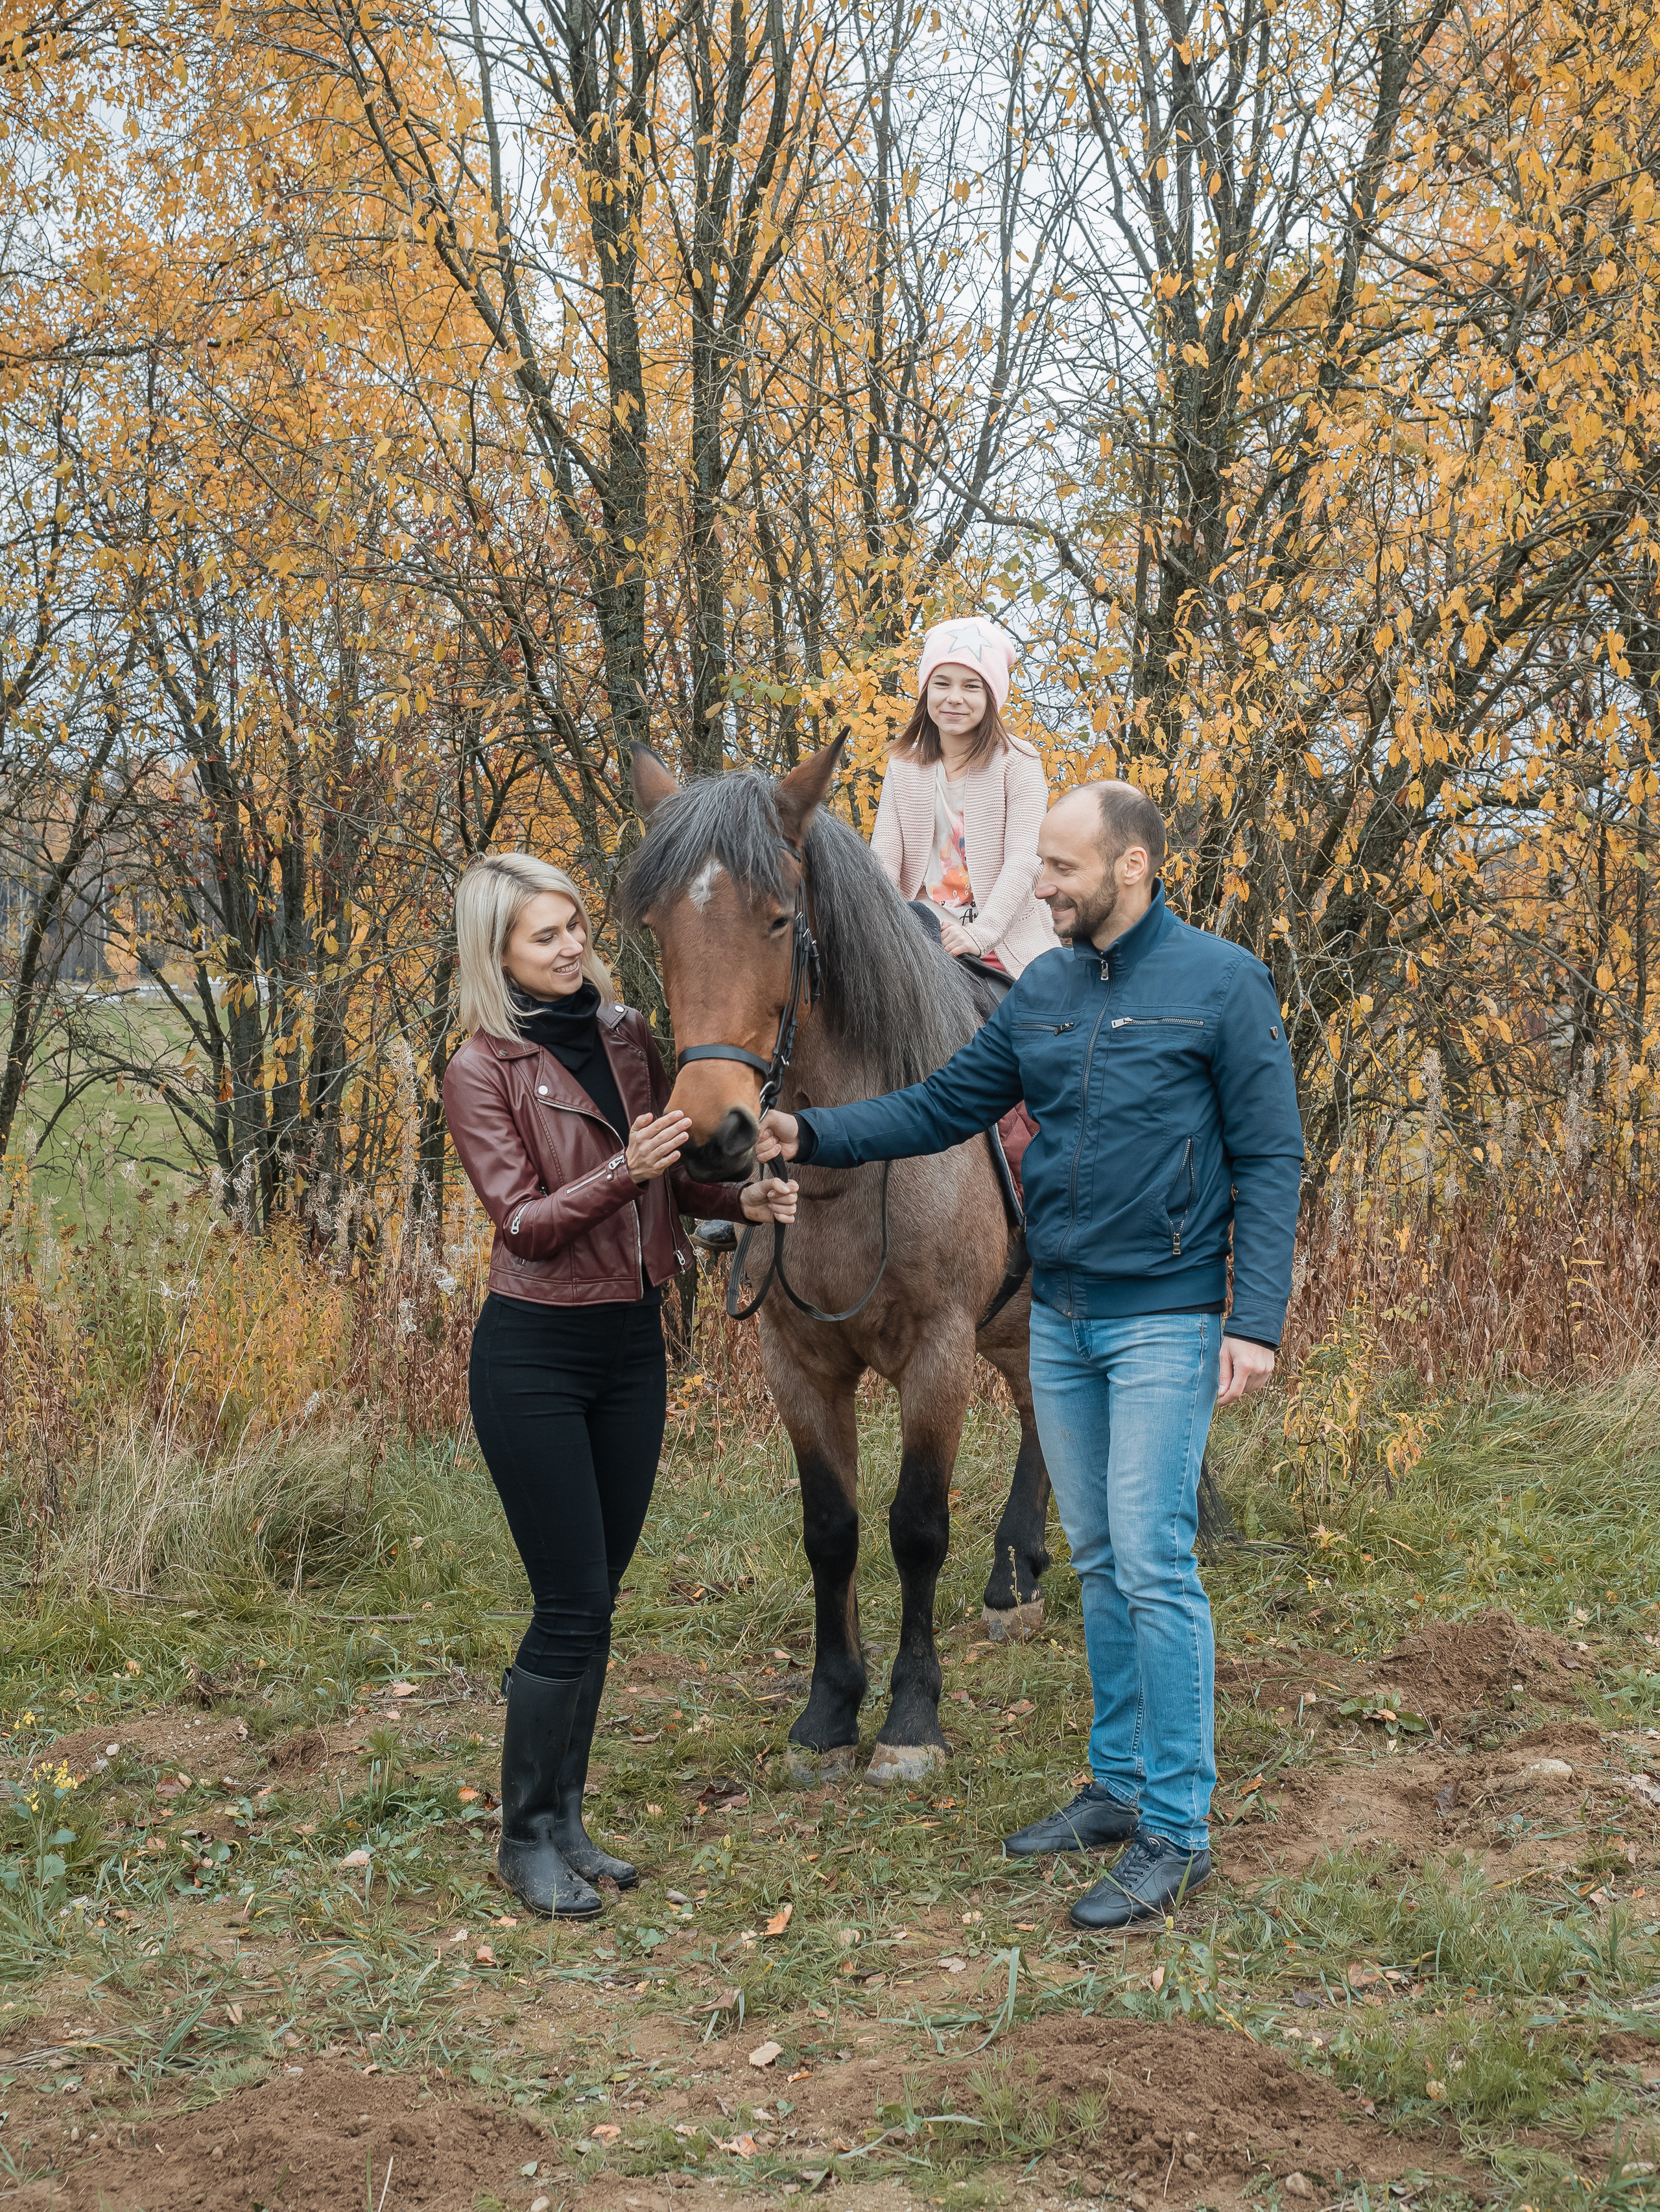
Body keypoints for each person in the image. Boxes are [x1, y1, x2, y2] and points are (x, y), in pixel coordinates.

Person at [755, 783, 1304, 1929]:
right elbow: (945, 1103)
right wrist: (811, 1132)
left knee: (1154, 1561)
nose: (1038, 884)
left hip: (1165, 1313)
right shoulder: (1046, 988)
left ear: (1135, 869)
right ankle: (1114, 1786)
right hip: (1063, 1314)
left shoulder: (1221, 982)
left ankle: (1178, 1830)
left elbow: (1270, 1158)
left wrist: (1253, 1320)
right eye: (1042, 863)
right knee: (1099, 1553)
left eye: (1060, 866)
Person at [443, 853, 796, 1918]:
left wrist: (743, 1201)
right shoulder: (483, 1069)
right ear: (495, 952)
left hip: (630, 1350)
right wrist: (625, 1172)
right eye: (544, 935)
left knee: (597, 1605)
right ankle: (521, 1839)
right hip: (536, 1353)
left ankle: (567, 1821)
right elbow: (526, 1224)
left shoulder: (625, 1037)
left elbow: (677, 1177)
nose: (571, 946)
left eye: (577, 926)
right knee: (570, 1602)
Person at [693, 613, 1054, 1253]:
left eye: (971, 687)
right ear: (924, 691)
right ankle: (740, 1187)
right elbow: (884, 861)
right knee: (803, 1022)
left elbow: (1027, 858)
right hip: (917, 932)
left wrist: (981, 933)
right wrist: (871, 933)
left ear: (992, 696)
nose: (954, 699)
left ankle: (1033, 1195)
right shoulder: (908, 764)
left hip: (1002, 942)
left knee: (1022, 1052)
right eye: (941, 683)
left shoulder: (1018, 764)